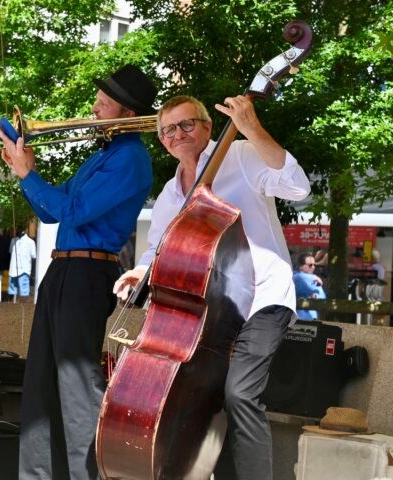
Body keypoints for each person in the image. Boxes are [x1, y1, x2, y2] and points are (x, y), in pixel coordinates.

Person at [114, 95, 311, 480]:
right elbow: (158, 246)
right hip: (208, 312)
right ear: (162, 140)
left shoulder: (239, 154)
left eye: (187, 124)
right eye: (168, 129)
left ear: (207, 127)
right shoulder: (171, 195)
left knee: (240, 393)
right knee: (204, 400)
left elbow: (297, 187)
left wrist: (250, 126)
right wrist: (141, 271)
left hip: (263, 300)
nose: (178, 134)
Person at [0, 64, 156, 479]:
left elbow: (75, 211)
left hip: (87, 274)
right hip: (64, 272)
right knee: (41, 385)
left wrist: (28, 173)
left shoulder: (132, 159)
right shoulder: (101, 157)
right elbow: (51, 212)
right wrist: (24, 170)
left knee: (75, 386)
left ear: (126, 113)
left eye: (103, 104)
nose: (94, 109)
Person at [293, 252, 326, 320]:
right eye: (310, 265)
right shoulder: (298, 277)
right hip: (301, 317)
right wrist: (315, 278)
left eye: (314, 264)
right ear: (301, 266)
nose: (313, 267)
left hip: (310, 316)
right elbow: (320, 295)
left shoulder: (313, 279)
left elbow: (322, 297)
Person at [8, 227, 36, 301]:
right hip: (16, 269)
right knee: (16, 289)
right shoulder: (14, 240)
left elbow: (33, 255)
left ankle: (21, 306)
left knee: (22, 289)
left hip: (23, 269)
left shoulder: (30, 242)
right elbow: (34, 255)